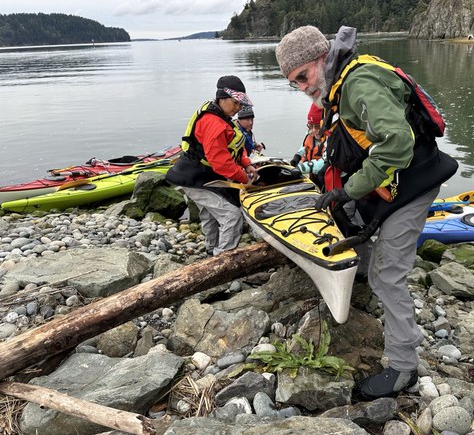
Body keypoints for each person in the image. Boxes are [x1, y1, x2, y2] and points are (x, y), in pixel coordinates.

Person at [275, 26, 458, 400]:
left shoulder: (359, 83)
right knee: (352, 227)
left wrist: (349, 189)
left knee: (388, 275)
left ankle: (402, 367)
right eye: (294, 82)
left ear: (321, 58)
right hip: (396, 183)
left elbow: (397, 145)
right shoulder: (340, 81)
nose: (303, 87)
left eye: (303, 77)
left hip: (415, 183)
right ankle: (360, 274)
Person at [166, 75, 258, 256]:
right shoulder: (213, 123)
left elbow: (233, 148)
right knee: (231, 215)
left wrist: (246, 164)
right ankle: (223, 259)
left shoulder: (219, 114)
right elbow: (221, 163)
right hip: (195, 176)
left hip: (197, 173)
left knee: (209, 212)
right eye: (235, 103)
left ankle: (211, 249)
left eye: (241, 104)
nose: (239, 108)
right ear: (222, 98)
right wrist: (245, 179)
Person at [290, 103, 327, 188]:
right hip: (312, 174)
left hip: (324, 177)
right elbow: (305, 146)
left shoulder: (331, 139)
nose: (313, 130)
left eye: (317, 126)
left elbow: (323, 163)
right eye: (311, 126)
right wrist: (297, 156)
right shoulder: (310, 133)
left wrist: (301, 168)